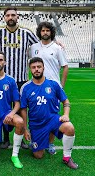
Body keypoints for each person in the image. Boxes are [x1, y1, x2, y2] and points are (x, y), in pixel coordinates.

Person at [0, 7, 38, 149]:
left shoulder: (26, 33)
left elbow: (40, 45)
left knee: (22, 109)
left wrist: (55, 41)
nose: (10, 17)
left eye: (13, 15)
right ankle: (6, 139)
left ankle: (21, 138)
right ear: (4, 17)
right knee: (4, 108)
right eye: (8, 15)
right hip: (2, 79)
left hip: (21, 79)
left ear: (17, 16)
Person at [20, 57, 78, 170]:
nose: (36, 69)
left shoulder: (53, 84)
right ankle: (38, 141)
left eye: (39, 67)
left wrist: (66, 115)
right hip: (37, 125)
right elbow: (23, 109)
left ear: (43, 68)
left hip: (53, 119)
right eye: (33, 67)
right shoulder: (25, 88)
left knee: (69, 127)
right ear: (30, 69)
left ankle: (67, 158)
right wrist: (25, 129)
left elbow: (66, 101)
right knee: (38, 155)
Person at [29, 21, 69, 154]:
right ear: (39, 32)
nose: (45, 33)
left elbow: (65, 66)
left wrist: (61, 86)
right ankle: (35, 138)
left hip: (53, 88)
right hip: (36, 85)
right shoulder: (33, 47)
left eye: (47, 30)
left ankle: (50, 143)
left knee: (52, 115)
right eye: (43, 30)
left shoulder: (57, 48)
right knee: (36, 113)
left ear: (51, 32)